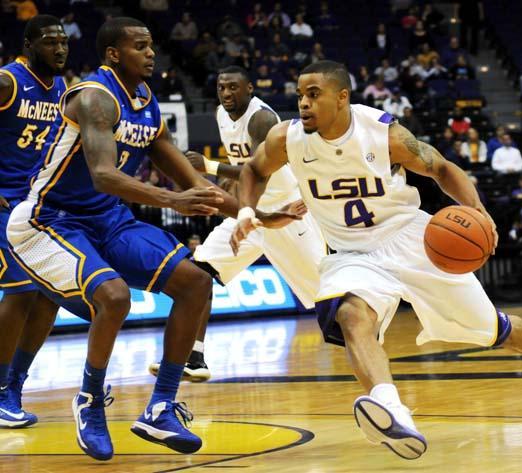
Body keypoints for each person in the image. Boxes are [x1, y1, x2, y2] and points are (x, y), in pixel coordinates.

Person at [230, 60, 522, 460]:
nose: (303, 104)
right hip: (352, 252)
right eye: (299, 95)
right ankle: (391, 407)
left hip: (411, 240)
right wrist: (247, 212)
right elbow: (253, 170)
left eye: (313, 94)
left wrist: (479, 212)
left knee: (492, 329)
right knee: (351, 315)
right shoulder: (287, 138)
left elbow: (441, 168)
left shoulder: (384, 134)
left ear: (342, 96)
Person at [6, 18, 301, 461]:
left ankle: (160, 407)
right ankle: (88, 400)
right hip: (50, 219)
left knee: (196, 282)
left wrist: (253, 213)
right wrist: (173, 199)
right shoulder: (94, 98)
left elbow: (192, 180)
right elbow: (104, 175)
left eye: (151, 46)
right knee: (115, 296)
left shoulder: (144, 103)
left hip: (106, 218)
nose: (150, 53)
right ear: (113, 55)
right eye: (140, 46)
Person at [148, 66, 326, 381]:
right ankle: (193, 358)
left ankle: (371, 327)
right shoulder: (220, 114)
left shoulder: (262, 119)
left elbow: (259, 170)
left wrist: (210, 166)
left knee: (327, 295)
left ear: (250, 89)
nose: (227, 94)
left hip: (286, 214)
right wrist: (231, 205)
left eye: (233, 88)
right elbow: (243, 174)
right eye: (222, 88)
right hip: (249, 213)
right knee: (198, 272)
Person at [0, 15, 68, 429]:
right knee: (23, 291)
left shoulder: (62, 89)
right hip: (4, 204)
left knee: (50, 294)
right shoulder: (8, 82)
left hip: (37, 209)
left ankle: (13, 388)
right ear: (28, 44)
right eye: (49, 42)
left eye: (63, 42)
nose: (59, 49)